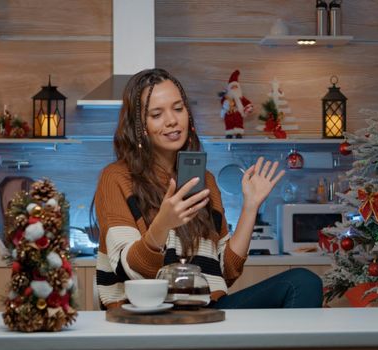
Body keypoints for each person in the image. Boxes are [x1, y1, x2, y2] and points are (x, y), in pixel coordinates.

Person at [94, 68, 323, 309]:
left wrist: (250, 207)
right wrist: (162, 224)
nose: (172, 120)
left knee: (302, 282)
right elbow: (131, 270)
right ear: (139, 126)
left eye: (178, 108)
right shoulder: (117, 178)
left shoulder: (205, 180)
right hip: (146, 316)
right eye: (156, 114)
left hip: (205, 313)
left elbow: (226, 271)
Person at [220, 70, 253, 138]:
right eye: (232, 87)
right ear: (229, 89)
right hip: (229, 113)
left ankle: (239, 133)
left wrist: (248, 108)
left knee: (238, 122)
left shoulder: (241, 98)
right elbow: (222, 102)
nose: (234, 89)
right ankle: (229, 133)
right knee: (229, 123)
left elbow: (248, 103)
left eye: (236, 87)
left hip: (238, 113)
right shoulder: (227, 98)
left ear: (238, 88)